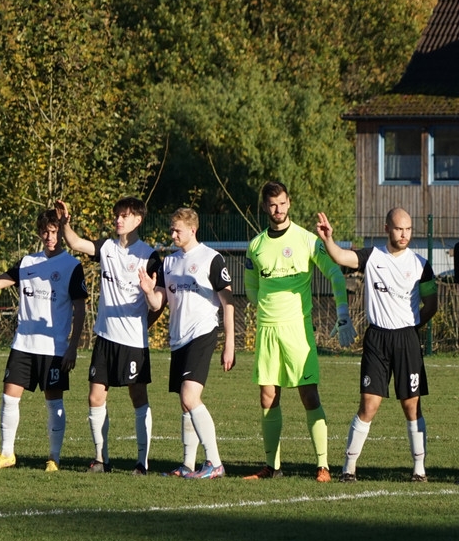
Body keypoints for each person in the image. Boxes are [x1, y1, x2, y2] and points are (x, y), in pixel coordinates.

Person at [0, 209, 86, 472]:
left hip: (54, 347)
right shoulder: (27, 262)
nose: (50, 237)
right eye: (45, 232)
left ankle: (54, 458)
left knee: (54, 403)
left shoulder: (72, 266)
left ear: (61, 233)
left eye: (54, 231)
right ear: (39, 233)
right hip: (23, 345)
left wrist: (72, 347)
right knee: (9, 397)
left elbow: (79, 309)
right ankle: (7, 455)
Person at [243, 180, 355, 482]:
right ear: (265, 207)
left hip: (297, 331)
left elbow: (335, 273)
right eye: (272, 205)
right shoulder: (255, 246)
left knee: (309, 395)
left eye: (282, 203)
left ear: (289, 202)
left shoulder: (307, 240)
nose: (277, 209)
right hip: (267, 330)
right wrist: (265, 304)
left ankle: (323, 466)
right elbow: (251, 287)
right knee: (268, 397)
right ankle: (272, 467)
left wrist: (342, 312)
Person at [316, 209, 437, 482]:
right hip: (377, 340)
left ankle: (419, 470)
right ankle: (349, 468)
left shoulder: (421, 265)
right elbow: (340, 257)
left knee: (412, 406)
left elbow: (431, 304)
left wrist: (412, 327)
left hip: (407, 340)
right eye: (398, 229)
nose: (404, 234)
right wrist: (328, 239)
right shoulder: (372, 256)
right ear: (386, 229)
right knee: (368, 405)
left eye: (408, 229)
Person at [56, 197, 162, 474]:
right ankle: (101, 459)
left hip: (133, 342)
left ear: (138, 220)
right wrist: (65, 224)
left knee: (138, 397)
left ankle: (142, 463)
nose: (118, 220)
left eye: (124, 216)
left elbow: (157, 304)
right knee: (95, 397)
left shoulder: (149, 256)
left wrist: (148, 295)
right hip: (105, 338)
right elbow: (75, 243)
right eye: (117, 215)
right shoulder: (107, 247)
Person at [139, 208, 235, 478]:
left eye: (177, 230)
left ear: (193, 229)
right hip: (178, 338)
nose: (172, 234)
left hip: (202, 334)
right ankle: (187, 465)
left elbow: (228, 303)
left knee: (190, 397)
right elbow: (158, 303)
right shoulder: (169, 263)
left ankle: (215, 463)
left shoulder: (211, 258)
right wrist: (148, 292)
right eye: (171, 229)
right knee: (185, 403)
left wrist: (229, 343)